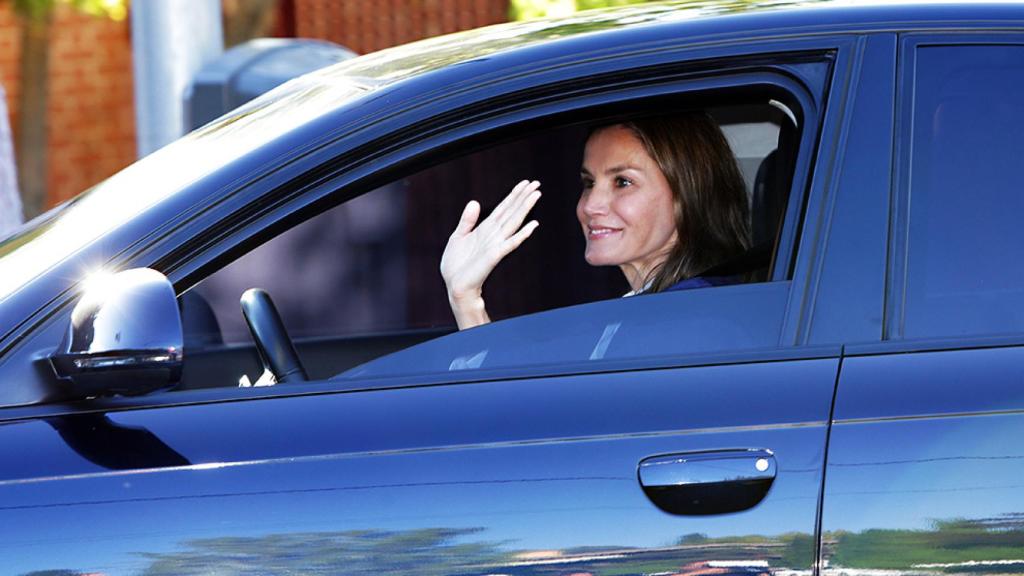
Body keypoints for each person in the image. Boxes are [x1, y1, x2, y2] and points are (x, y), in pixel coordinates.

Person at [440, 112, 750, 330]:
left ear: (689, 192)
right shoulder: (658, 309)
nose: (590, 206)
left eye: (623, 182)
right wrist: (466, 298)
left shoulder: (690, 322)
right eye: (589, 183)